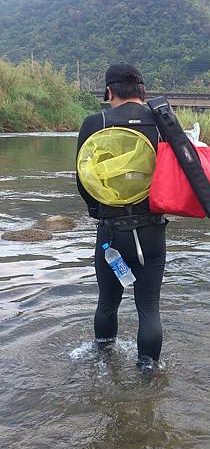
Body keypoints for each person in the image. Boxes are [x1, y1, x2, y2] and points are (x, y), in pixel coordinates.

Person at [76, 62, 166, 371]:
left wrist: (96, 211)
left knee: (107, 302)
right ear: (143, 91)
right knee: (149, 308)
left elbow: (83, 180)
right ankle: (149, 376)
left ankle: (103, 366)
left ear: (109, 91)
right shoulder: (163, 122)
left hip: (111, 230)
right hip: (152, 229)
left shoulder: (94, 122)